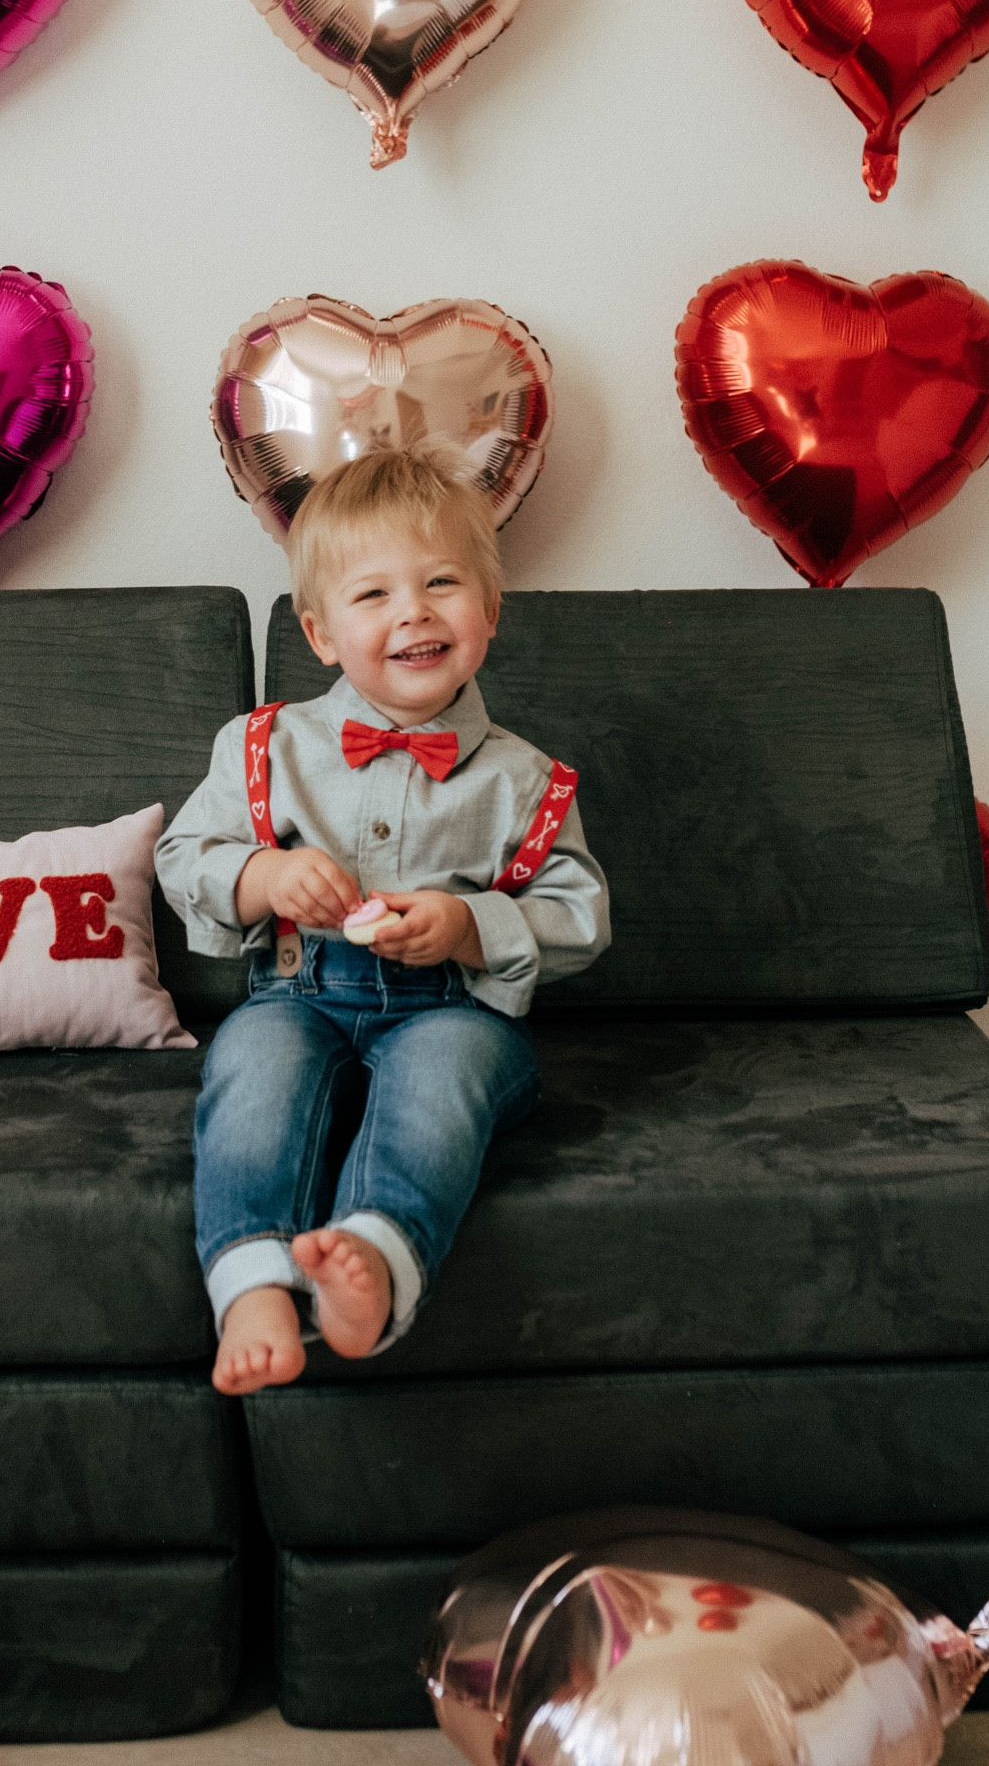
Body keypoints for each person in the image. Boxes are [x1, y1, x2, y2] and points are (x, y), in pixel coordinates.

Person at [156, 446, 609, 1394]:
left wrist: (468, 922)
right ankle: (250, 1281)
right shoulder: (263, 746)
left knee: (441, 1086)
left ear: (487, 612)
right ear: (321, 633)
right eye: (374, 596)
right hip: (299, 994)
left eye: (442, 583)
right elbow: (181, 862)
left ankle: (375, 1258)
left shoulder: (527, 779)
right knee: (251, 1068)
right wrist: (267, 876)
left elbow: (579, 913)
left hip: (455, 1011)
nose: (414, 612)